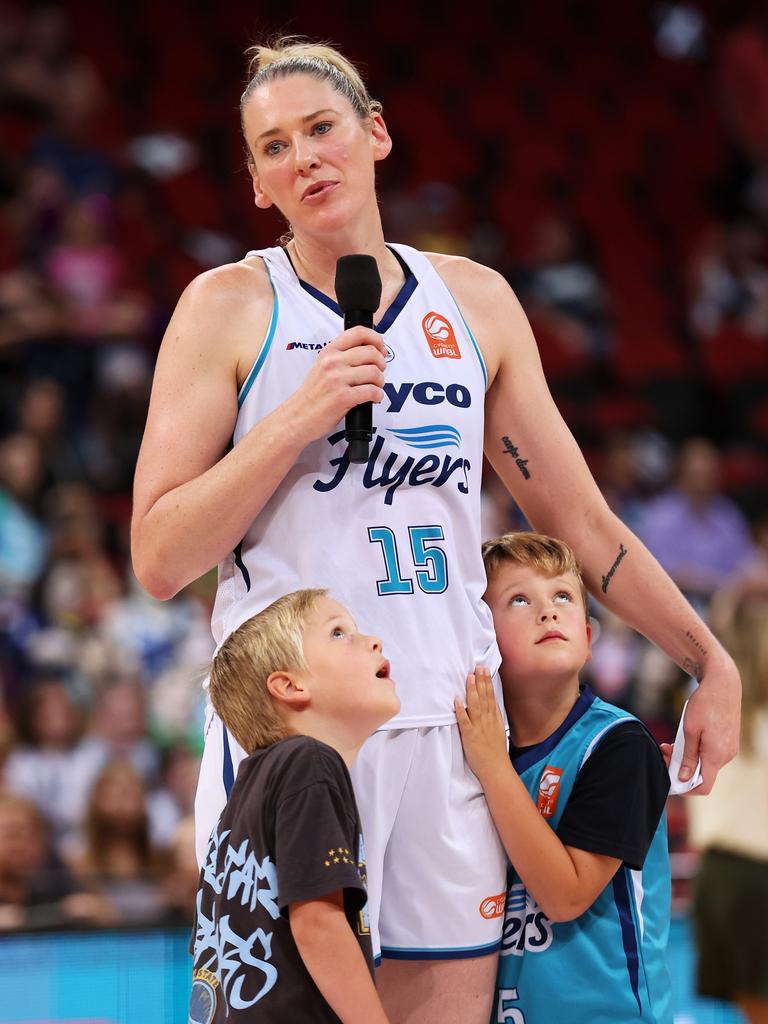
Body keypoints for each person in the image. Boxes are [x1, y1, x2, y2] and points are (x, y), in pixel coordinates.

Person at [130, 36, 740, 1024]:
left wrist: (706, 655)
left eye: (322, 129)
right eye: (274, 147)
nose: (306, 159)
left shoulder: (477, 303)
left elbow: (577, 516)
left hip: (455, 731)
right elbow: (159, 557)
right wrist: (301, 412)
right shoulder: (227, 308)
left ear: (375, 133)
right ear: (255, 184)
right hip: (293, 741)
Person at [456, 533, 672, 1023]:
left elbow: (565, 895)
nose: (548, 611)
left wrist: (492, 766)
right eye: (518, 599)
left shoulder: (619, 743)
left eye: (562, 596)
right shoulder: (468, 748)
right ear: (482, 637)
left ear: (590, 639)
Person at [191, 588, 398, 1023]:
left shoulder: (243, 799)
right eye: (339, 633)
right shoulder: (311, 763)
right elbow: (318, 923)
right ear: (289, 685)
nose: (373, 641)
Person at [686, 575, 768, 1024]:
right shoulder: (729, 711)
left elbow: (713, 643)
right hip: (755, 873)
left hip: (717, 876)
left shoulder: (706, 707)